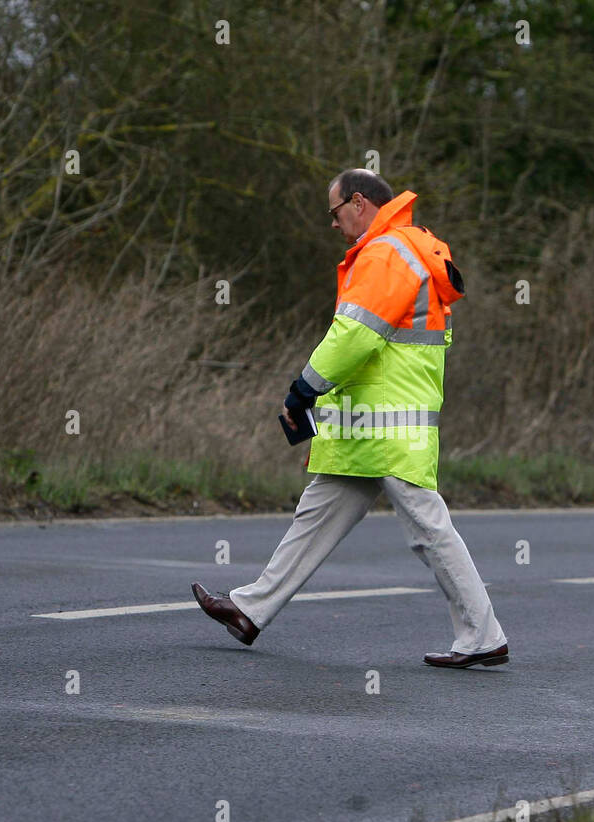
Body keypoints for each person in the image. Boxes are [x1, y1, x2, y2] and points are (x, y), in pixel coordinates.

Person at [191, 169, 509, 668]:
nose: (334, 226)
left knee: (428, 530)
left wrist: (303, 389)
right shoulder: (404, 247)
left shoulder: (386, 252)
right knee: (316, 517)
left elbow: (354, 336)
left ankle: (482, 635)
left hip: (385, 423)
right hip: (369, 422)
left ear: (359, 203)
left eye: (335, 213)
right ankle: (250, 609)